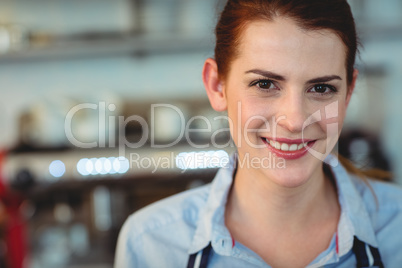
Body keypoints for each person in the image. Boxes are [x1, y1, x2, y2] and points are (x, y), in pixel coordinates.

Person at [114, 0, 402, 267]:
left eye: (321, 88)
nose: (294, 120)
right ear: (217, 85)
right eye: (265, 84)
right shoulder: (150, 244)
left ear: (348, 92)